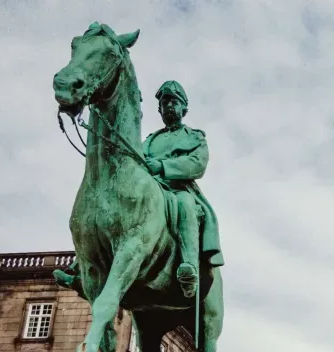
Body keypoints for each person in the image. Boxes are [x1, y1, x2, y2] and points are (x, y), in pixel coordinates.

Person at [54, 80, 223, 300]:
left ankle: (188, 266)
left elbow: (196, 164)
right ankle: (79, 267)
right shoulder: (150, 140)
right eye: (165, 103)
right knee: (109, 210)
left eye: (174, 102)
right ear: (159, 110)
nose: (169, 106)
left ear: (184, 108)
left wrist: (163, 166)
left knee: (186, 206)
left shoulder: (195, 137)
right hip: (148, 190)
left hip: (177, 189)